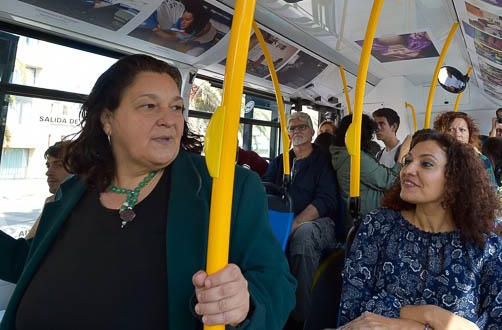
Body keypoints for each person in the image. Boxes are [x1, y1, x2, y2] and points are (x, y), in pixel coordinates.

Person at [0, 54, 295, 329]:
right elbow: (32, 262)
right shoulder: (73, 190)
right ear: (107, 120)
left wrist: (245, 304)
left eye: (176, 107)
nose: (169, 118)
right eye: (149, 105)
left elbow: (276, 284)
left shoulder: (225, 188)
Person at [338, 130, 502, 329]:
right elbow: (353, 311)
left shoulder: (487, 249)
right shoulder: (378, 226)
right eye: (407, 161)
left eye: (426, 164)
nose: (407, 170)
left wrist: (421, 317)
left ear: (455, 178)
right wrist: (436, 321)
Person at [263, 111, 338, 327]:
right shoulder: (280, 162)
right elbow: (266, 187)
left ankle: (300, 317)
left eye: (302, 127)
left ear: (312, 131)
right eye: (292, 128)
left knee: (303, 237)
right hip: (284, 217)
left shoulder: (323, 160)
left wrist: (294, 224)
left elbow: (325, 200)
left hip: (319, 221)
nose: (297, 131)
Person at [330, 114, 406, 219]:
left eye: (382, 123)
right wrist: (402, 157)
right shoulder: (355, 157)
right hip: (373, 213)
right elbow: (389, 181)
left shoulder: (341, 154)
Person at [433, 111, 496, 186]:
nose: (457, 134)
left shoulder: (481, 160)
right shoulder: (434, 160)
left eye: (462, 130)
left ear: (469, 134)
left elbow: (492, 190)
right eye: (450, 130)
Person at [25, 141, 73, 239]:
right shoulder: (52, 202)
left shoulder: (83, 209)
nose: (48, 172)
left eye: (58, 165)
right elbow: (29, 247)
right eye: (48, 166)